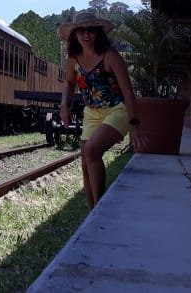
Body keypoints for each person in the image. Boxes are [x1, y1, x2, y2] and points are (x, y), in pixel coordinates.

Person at [58, 11, 145, 209]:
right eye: (81, 31)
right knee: (85, 159)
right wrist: (65, 105)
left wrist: (134, 123)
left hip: (117, 110)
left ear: (98, 33)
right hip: (92, 113)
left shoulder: (110, 55)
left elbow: (127, 91)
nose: (86, 35)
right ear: (75, 34)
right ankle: (92, 211)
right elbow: (69, 83)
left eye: (91, 30)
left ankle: (99, 208)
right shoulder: (73, 58)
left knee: (92, 150)